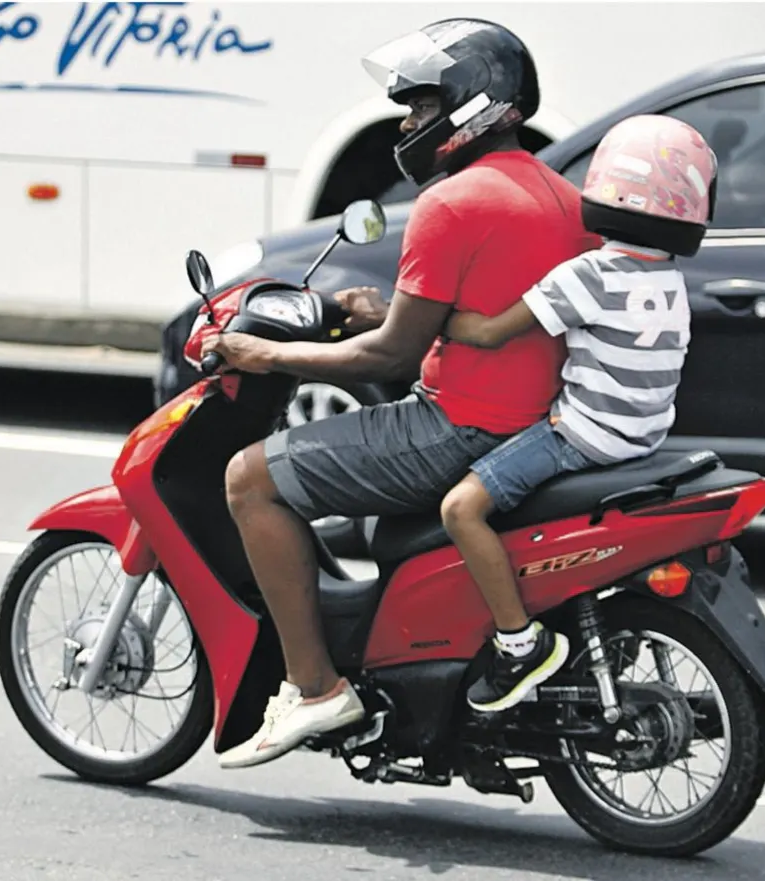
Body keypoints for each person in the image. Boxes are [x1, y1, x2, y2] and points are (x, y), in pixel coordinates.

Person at [203, 18, 601, 769]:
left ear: (467, 105)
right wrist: (387, 309)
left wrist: (265, 352)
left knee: (249, 478)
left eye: (419, 108)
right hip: (532, 424)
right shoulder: (557, 194)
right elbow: (493, 313)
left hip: (461, 427)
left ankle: (314, 686)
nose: (410, 125)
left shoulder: (452, 204)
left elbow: (388, 356)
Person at [437, 114, 719, 713]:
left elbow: (489, 333)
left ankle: (518, 644)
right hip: (642, 439)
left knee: (461, 509)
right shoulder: (669, 280)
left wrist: (432, 316)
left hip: (582, 439)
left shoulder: (590, 274)